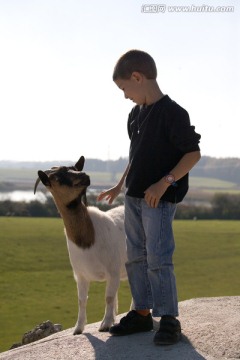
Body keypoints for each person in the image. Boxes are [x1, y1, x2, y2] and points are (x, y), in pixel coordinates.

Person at [97, 49, 201, 345]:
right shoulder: (135, 115)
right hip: (133, 198)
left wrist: (164, 183)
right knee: (135, 257)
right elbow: (136, 156)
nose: (125, 95)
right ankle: (142, 313)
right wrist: (120, 186)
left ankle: (169, 320)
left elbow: (193, 153)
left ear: (137, 77)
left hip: (159, 200)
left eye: (124, 88)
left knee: (158, 258)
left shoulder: (174, 113)